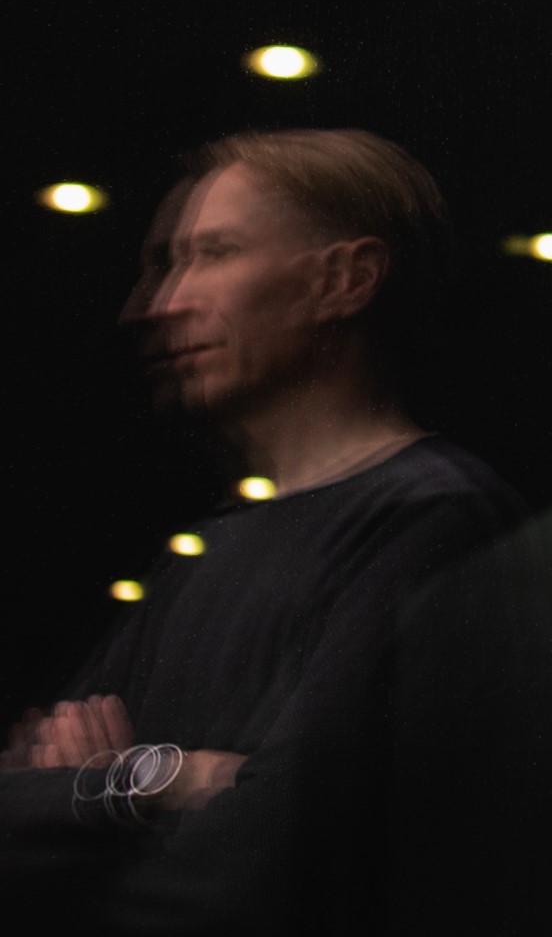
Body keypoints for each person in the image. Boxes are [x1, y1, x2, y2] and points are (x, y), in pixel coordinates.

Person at [0, 129, 519, 935]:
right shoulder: (203, 553)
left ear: (345, 278)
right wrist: (164, 780)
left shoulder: (433, 521)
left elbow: (256, 878)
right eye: (167, 264)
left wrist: (87, 800)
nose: (157, 305)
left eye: (214, 253)